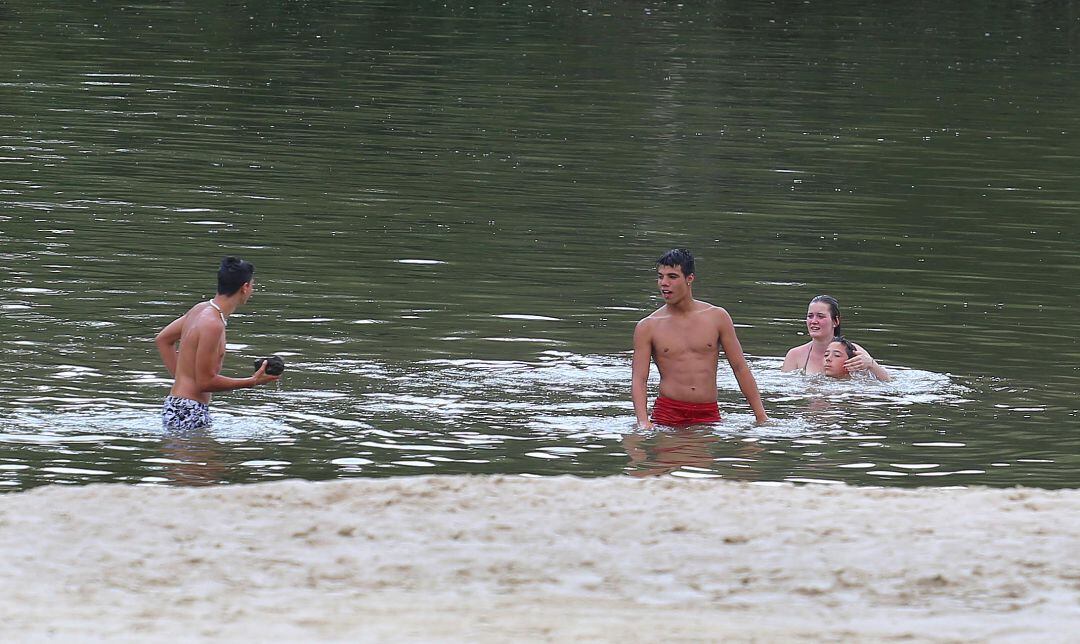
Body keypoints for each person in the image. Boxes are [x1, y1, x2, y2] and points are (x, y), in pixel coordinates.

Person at [631, 248, 768, 428]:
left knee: (701, 456)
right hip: (668, 413)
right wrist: (643, 421)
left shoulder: (717, 317)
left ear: (690, 278)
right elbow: (639, 379)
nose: (664, 283)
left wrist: (761, 416)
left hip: (708, 412)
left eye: (672, 277)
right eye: (660, 277)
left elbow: (740, 367)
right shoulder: (648, 326)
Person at [155, 256, 279, 430]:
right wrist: (251, 382)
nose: (253, 289)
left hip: (176, 405)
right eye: (252, 285)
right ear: (245, 287)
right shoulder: (213, 324)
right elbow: (205, 383)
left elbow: (163, 340)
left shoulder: (200, 309)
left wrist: (183, 380)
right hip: (190, 411)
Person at [781, 295, 890, 380]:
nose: (813, 321)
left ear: (835, 321)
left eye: (820, 316)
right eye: (810, 316)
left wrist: (871, 364)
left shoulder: (853, 350)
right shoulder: (794, 355)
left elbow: (887, 382)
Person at [823, 336, 891, 381]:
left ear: (852, 361)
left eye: (836, 355)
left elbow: (887, 382)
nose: (828, 359)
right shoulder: (818, 379)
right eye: (826, 355)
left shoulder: (862, 383)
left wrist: (871, 364)